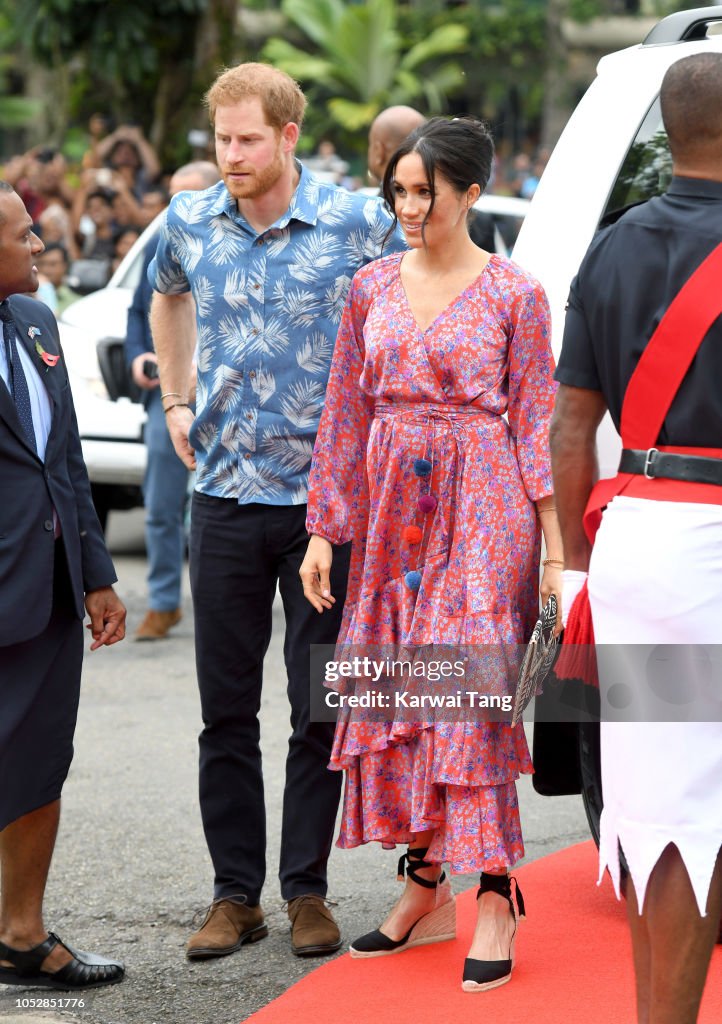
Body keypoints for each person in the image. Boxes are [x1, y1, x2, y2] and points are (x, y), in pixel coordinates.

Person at [148, 62, 405, 961]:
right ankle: (233, 896)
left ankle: (306, 890)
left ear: (290, 136)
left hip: (323, 513)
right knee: (225, 711)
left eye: (248, 139)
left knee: (319, 706)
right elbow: (166, 293)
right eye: (222, 140)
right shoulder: (187, 219)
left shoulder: (356, 222)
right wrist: (176, 400)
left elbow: (405, 315)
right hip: (219, 499)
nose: (232, 156)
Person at [301, 116, 560, 990]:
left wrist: (555, 551)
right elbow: (344, 410)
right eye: (400, 192)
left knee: (466, 692)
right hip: (390, 510)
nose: (410, 207)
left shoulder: (516, 293)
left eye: (428, 193)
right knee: (401, 688)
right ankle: (423, 883)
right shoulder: (370, 286)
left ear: (472, 194)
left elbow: (535, 426)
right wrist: (323, 531)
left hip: (484, 508)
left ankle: (494, 892)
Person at [550, 52, 722, 1024]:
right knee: (694, 820)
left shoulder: (612, 243)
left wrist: (577, 567)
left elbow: (569, 427)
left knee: (650, 806)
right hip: (706, 550)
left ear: (662, 135)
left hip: (630, 546)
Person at [0, 182, 126, 990]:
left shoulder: (38, 322)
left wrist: (99, 577)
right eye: (25, 235)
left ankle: (22, 933)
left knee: (40, 762)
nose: (41, 245)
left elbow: (66, 460)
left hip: (46, 588)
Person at [126, 161, 220, 642]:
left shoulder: (236, 251)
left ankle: (225, 606)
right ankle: (164, 603)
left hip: (227, 406)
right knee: (160, 507)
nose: (174, 210)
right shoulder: (161, 255)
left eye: (186, 198)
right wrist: (142, 359)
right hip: (170, 400)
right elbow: (138, 320)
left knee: (228, 512)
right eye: (170, 198)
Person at [368, 106, 496, 252]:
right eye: (400, 190)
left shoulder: (503, 274)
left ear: (471, 195)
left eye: (425, 192)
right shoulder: (374, 273)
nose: (407, 210)